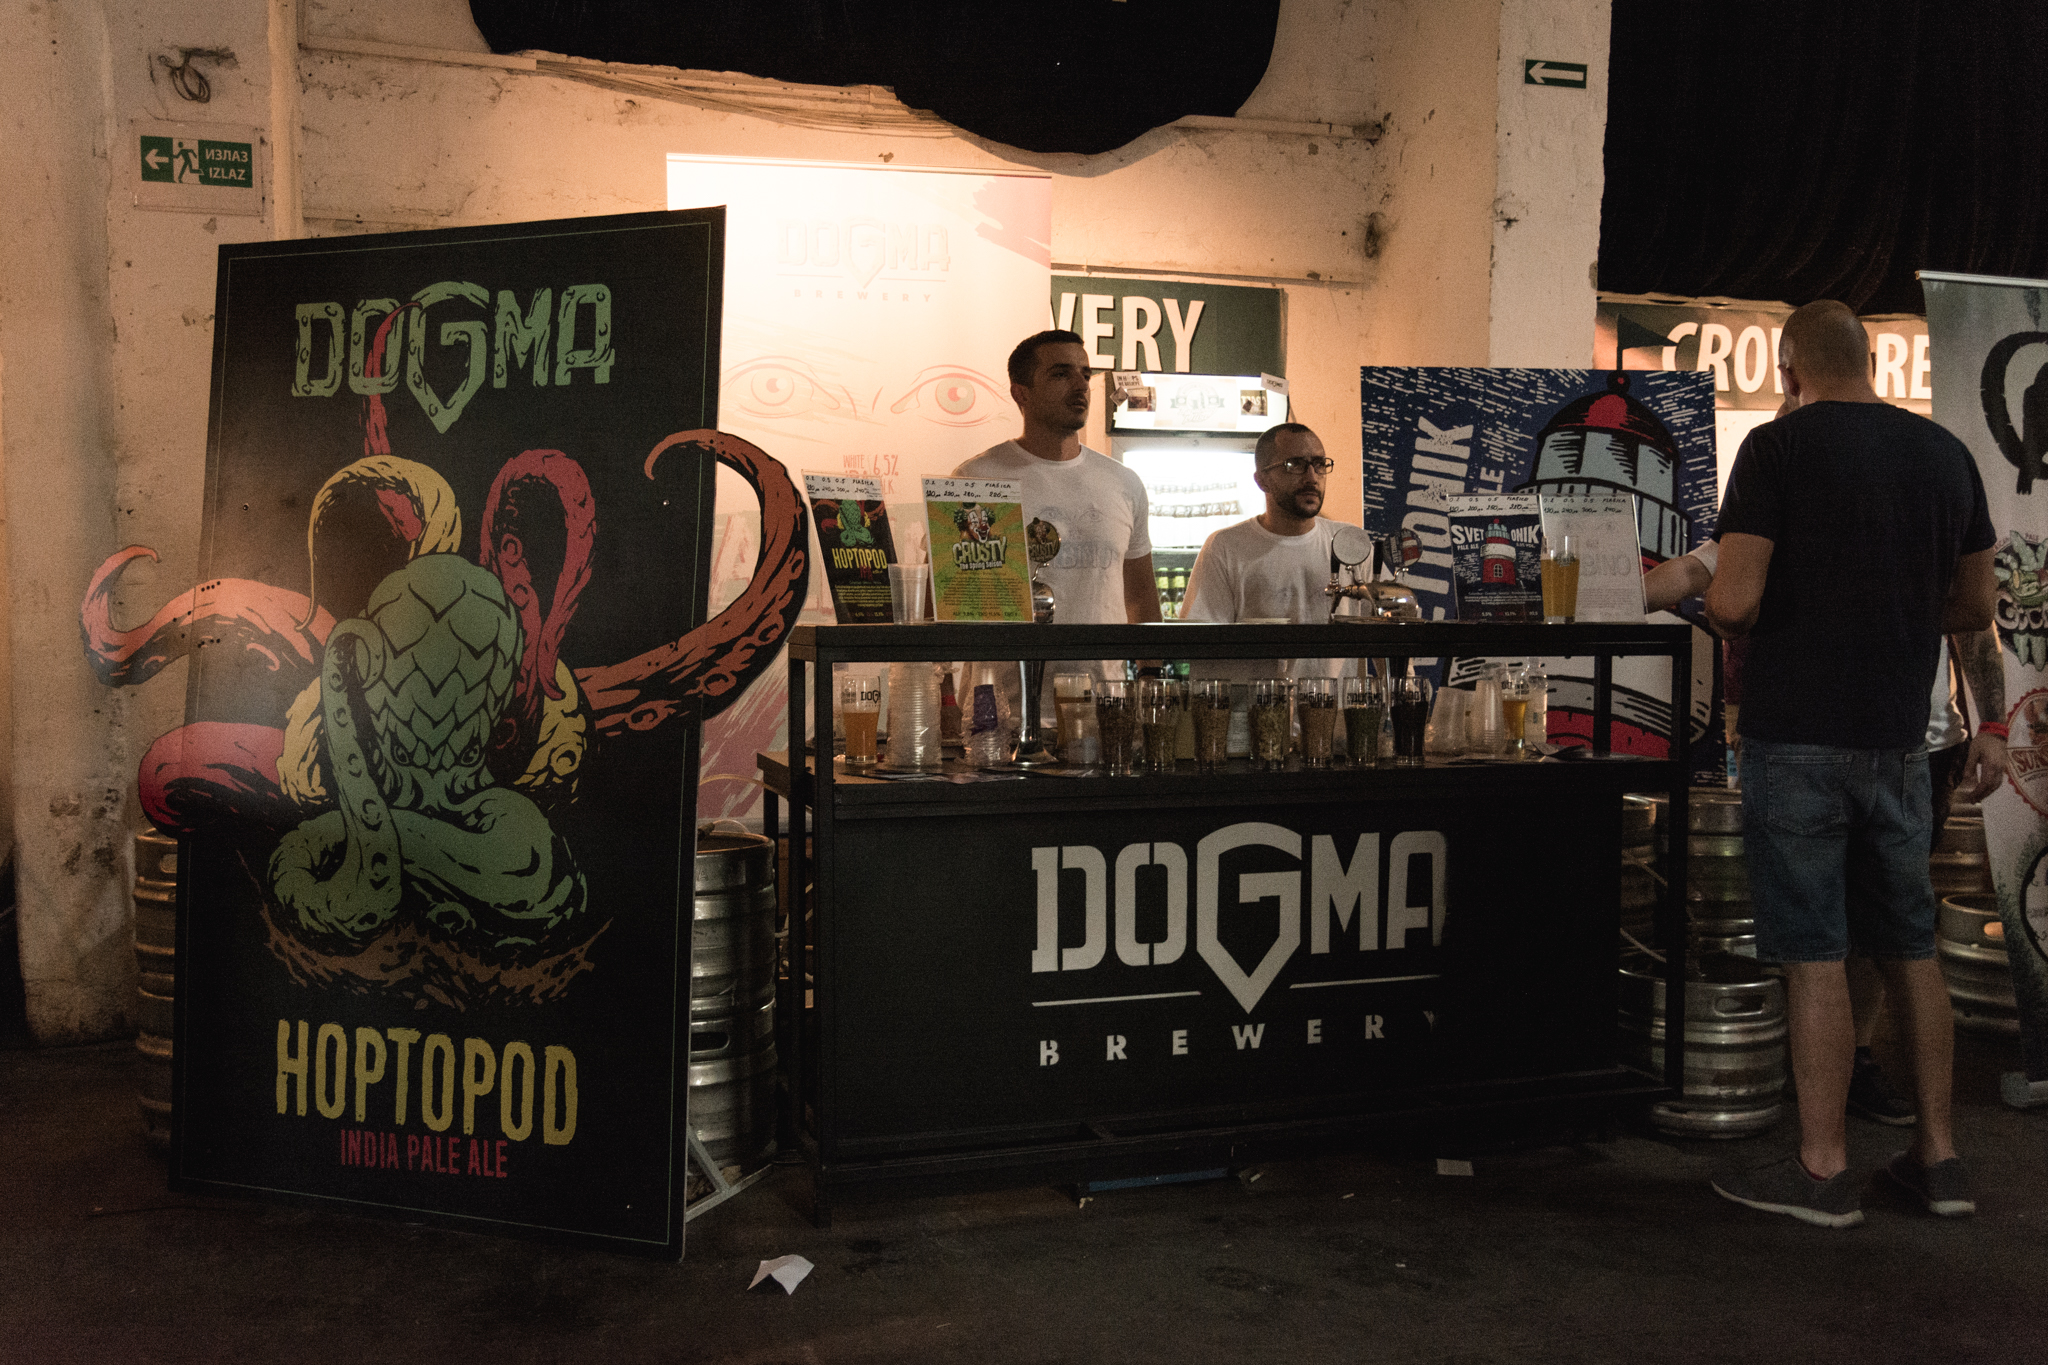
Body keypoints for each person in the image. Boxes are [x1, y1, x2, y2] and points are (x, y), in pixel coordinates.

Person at [1703, 300, 1996, 1228]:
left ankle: (1823, 1168)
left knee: (1814, 954)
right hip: (1900, 743)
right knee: (1910, 947)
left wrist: (1704, 597)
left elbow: (1735, 604)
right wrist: (1891, 609)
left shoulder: (1776, 450)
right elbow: (1976, 604)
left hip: (1798, 739)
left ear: (1787, 367)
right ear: (1868, 361)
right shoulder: (1945, 453)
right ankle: (1939, 1160)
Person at [1650, 537, 2007, 1125]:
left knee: (1883, 939)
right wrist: (1601, 595)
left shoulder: (1925, 496)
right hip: (1819, 742)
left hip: (1916, 742)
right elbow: (1701, 567)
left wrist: (1992, 723)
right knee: (1849, 938)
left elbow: (1973, 613)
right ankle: (1887, 1123)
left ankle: (1847, 1093)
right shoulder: (1793, 495)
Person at [953, 330, 1160, 630]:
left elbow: (1141, 597)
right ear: (1021, 393)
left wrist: (1152, 659)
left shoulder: (1124, 482)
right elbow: (947, 598)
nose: (1081, 385)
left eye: (1085, 375)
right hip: (1010, 663)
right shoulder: (976, 478)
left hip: (1106, 663)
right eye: (1061, 374)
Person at [1179, 422, 1359, 681]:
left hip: (1336, 706)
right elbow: (1201, 645)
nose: (1311, 477)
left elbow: (1391, 630)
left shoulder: (1350, 542)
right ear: (1262, 480)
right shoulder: (1225, 546)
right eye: (1295, 464)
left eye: (1319, 464)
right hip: (1254, 706)